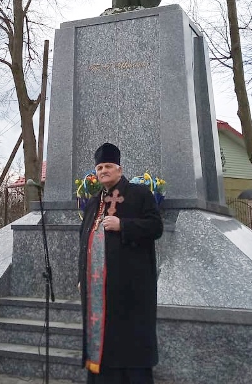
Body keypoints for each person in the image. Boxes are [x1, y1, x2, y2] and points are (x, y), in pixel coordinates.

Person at [78, 143, 163, 384]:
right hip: (97, 291)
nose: (103, 171)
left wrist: (123, 225)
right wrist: (80, 277)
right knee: (102, 348)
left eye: (108, 166)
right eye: (99, 167)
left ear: (119, 169)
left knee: (128, 348)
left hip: (130, 290)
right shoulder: (93, 203)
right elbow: (83, 241)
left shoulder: (140, 195)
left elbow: (156, 227)